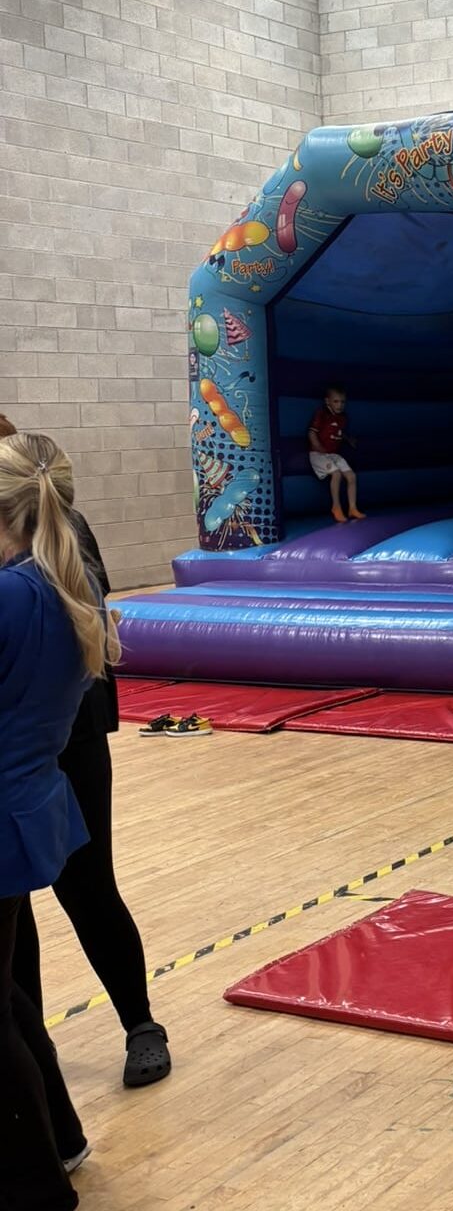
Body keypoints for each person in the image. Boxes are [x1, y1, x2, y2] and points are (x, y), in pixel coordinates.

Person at [0, 418, 171, 1092]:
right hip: (30, 735)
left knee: (87, 883)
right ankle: (28, 1047)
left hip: (64, 736)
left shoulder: (58, 541)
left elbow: (71, 636)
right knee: (13, 903)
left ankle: (140, 1021)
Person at [1, 431, 115, 1209]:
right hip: (26, 806)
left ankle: (40, 1188)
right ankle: (61, 1138)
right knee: (6, 994)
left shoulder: (13, 595)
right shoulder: (64, 587)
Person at [308, 383, 364, 525]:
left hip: (333, 454)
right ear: (328, 401)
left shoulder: (342, 418)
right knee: (337, 474)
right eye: (336, 401)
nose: (340, 405)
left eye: (342, 402)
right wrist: (317, 446)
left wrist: (348, 439)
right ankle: (336, 507)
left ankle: (352, 508)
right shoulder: (321, 414)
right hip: (318, 454)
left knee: (351, 476)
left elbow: (338, 432)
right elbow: (311, 432)